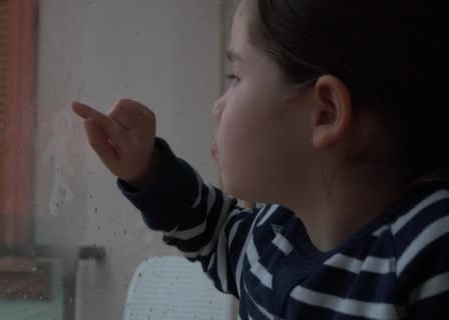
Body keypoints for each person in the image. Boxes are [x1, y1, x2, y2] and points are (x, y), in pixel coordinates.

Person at [71, 0, 449, 318]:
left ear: (326, 113)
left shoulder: (427, 247)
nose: (217, 106)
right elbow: (214, 233)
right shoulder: (272, 236)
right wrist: (149, 172)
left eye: (235, 76)